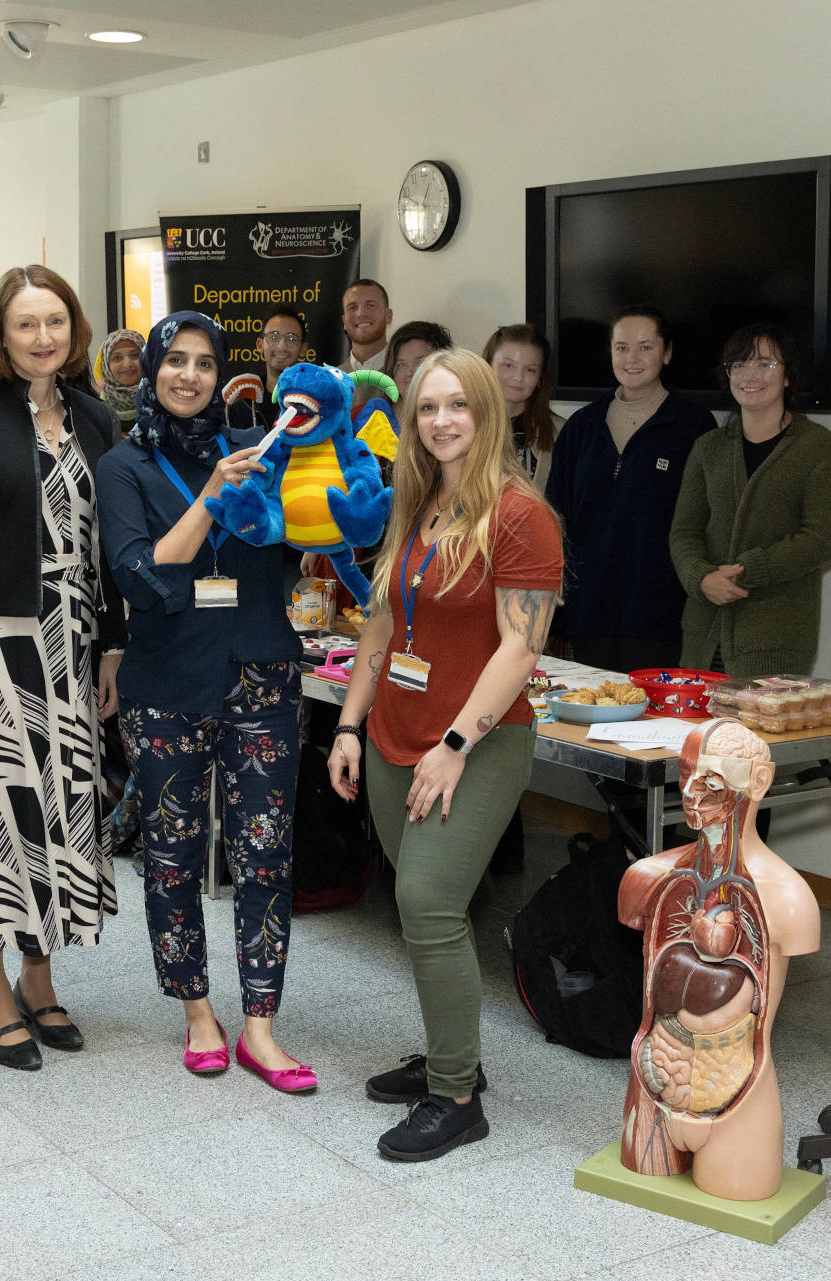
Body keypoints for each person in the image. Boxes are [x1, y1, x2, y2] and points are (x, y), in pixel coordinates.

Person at [329, 348, 562, 1161]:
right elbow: (383, 622)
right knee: (431, 910)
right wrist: (349, 724)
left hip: (478, 742)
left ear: (487, 411)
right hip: (393, 734)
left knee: (427, 904)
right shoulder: (418, 498)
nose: (441, 420)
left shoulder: (520, 515)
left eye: (458, 404)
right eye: (427, 407)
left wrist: (456, 744)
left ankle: (457, 1095)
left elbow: (520, 648)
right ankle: (451, 1047)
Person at [97, 310, 315, 1091]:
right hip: (165, 685)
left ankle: (260, 1024)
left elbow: (308, 533)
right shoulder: (123, 464)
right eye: (174, 360)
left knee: (265, 852)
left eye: (204, 362)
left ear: (222, 374)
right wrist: (213, 494)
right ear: (152, 369)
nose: (188, 375)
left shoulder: (260, 447)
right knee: (172, 857)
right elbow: (142, 576)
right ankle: (197, 1012)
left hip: (261, 672)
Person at [0, 265, 124, 1072]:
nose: (43, 337)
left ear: (74, 330)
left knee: (61, 811)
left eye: (56, 321)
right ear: (0, 336)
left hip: (73, 644)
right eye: (26, 324)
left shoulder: (95, 417)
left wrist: (112, 644)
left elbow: (111, 543)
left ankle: (40, 978)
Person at [669, 323, 831, 678]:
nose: (750, 375)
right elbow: (683, 532)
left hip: (776, 639)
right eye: (739, 365)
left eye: (765, 364)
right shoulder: (708, 448)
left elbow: (820, 541)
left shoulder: (819, 447)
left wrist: (746, 571)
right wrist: (701, 577)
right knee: (700, 718)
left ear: (787, 376)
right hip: (702, 636)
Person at [546, 306, 714, 671]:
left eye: (645, 347)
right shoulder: (582, 427)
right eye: (621, 348)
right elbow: (554, 518)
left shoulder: (694, 425)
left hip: (662, 615)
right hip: (587, 612)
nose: (631, 358)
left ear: (667, 353)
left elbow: (705, 522)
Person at [484, 323, 562, 489]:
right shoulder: (460, 424)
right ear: (487, 365)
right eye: (508, 365)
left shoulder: (562, 433)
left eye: (530, 370)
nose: (518, 377)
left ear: (540, 378)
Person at [227, 306, 305, 432]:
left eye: (291, 338)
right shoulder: (241, 404)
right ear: (260, 345)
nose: (281, 346)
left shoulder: (312, 402)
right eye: (273, 337)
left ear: (303, 349)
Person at [384, 321, 454, 409]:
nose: (409, 372)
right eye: (401, 364)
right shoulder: (375, 414)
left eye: (420, 362)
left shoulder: (459, 414)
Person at [93, 327, 145, 429]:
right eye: (117, 358)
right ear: (106, 365)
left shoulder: (163, 403)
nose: (127, 364)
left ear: (146, 358)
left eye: (135, 355)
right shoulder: (94, 408)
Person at [339, 279, 392, 373]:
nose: (361, 314)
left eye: (370, 305)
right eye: (353, 307)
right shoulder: (331, 379)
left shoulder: (409, 375)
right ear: (344, 322)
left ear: (388, 315)